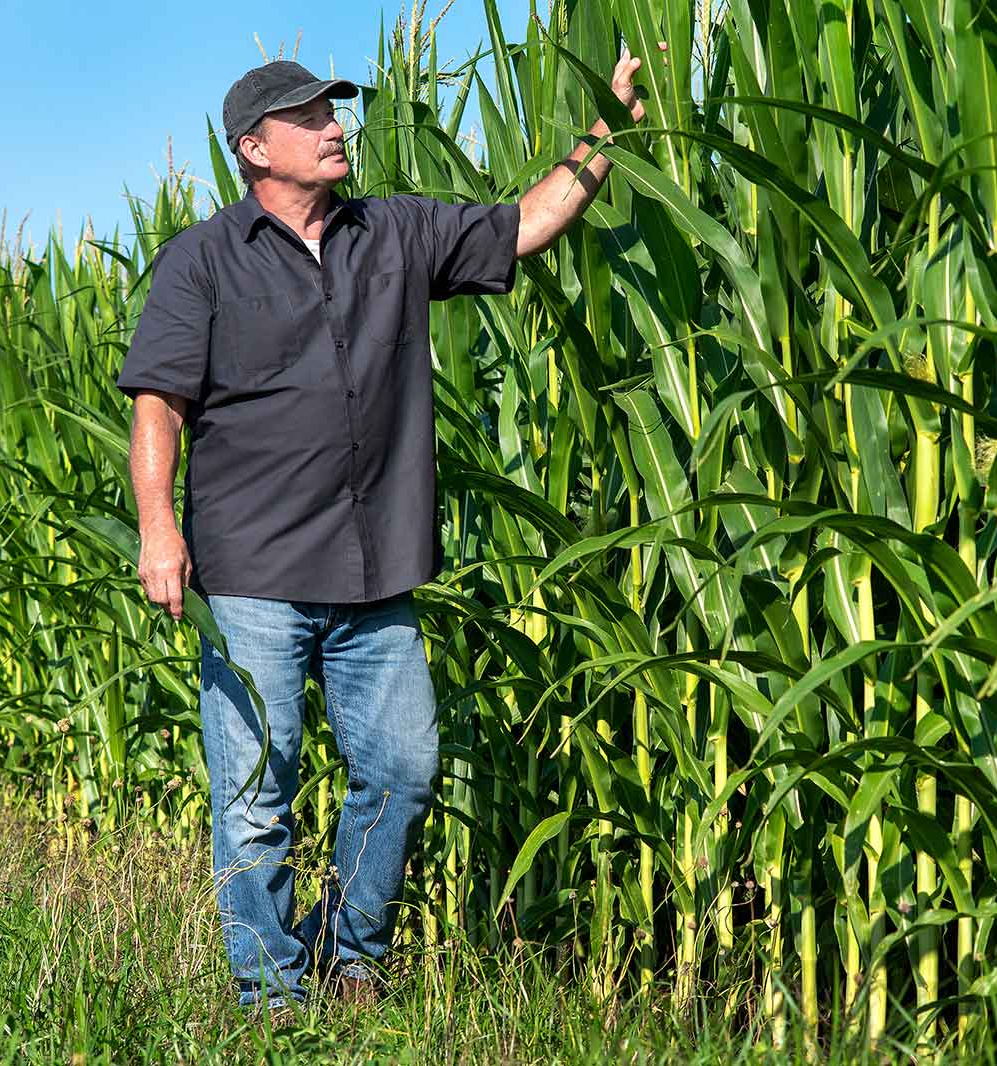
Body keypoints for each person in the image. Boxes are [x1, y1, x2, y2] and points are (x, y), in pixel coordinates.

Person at [116, 47, 660, 1017]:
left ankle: (347, 950)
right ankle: (272, 996)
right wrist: (160, 529)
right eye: (310, 117)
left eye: (336, 111)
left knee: (404, 767)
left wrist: (604, 133)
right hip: (252, 572)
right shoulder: (201, 259)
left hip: (376, 570)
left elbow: (528, 222)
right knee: (255, 798)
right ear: (254, 148)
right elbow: (158, 404)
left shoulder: (395, 231)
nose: (336, 126)